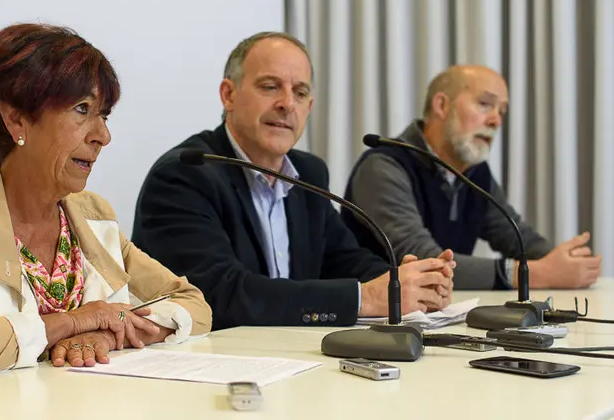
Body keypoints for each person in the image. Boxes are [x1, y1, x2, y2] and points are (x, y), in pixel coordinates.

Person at [0, 23, 211, 382]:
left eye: (104, 115)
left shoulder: (94, 217)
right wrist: (77, 320)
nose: (103, 136)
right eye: (82, 109)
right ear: (16, 118)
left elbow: (193, 305)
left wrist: (107, 333)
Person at [131, 32, 455, 331]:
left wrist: (406, 281)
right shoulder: (185, 173)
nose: (287, 103)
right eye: (270, 87)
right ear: (228, 95)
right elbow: (217, 295)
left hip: (292, 357)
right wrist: (367, 298)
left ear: (309, 107)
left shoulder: (307, 173)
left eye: (300, 93)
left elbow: (344, 260)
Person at [342, 64, 601, 290]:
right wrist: (535, 274)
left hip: (442, 314)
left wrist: (565, 262)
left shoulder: (475, 172)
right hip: (379, 326)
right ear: (442, 105)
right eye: (485, 104)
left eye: (501, 111)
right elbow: (425, 259)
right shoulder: (384, 166)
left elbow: (515, 236)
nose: (495, 121)